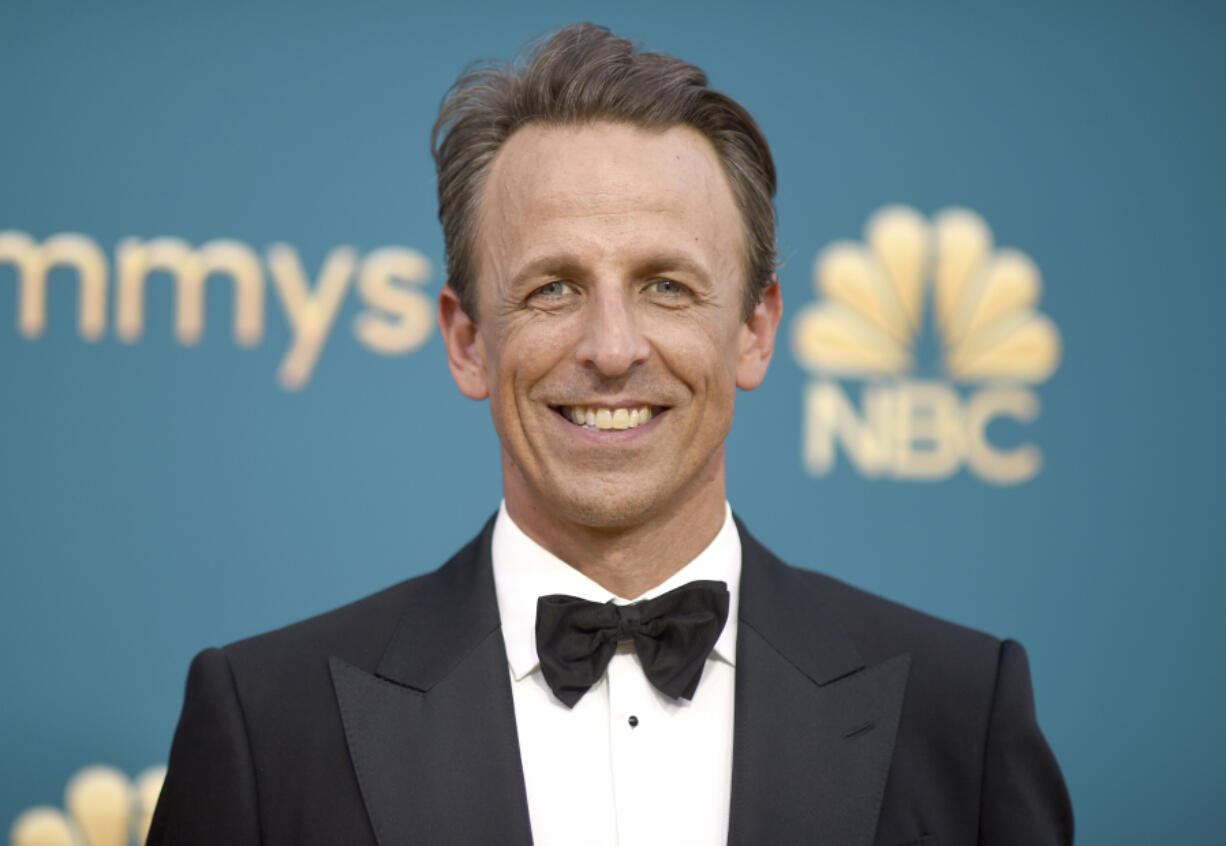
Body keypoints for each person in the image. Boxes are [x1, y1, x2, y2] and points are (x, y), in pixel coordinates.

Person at [148, 23, 1073, 846]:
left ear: (754, 330)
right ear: (468, 341)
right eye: (553, 287)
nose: (612, 349)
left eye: (667, 286)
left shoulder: (960, 713)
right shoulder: (270, 725)